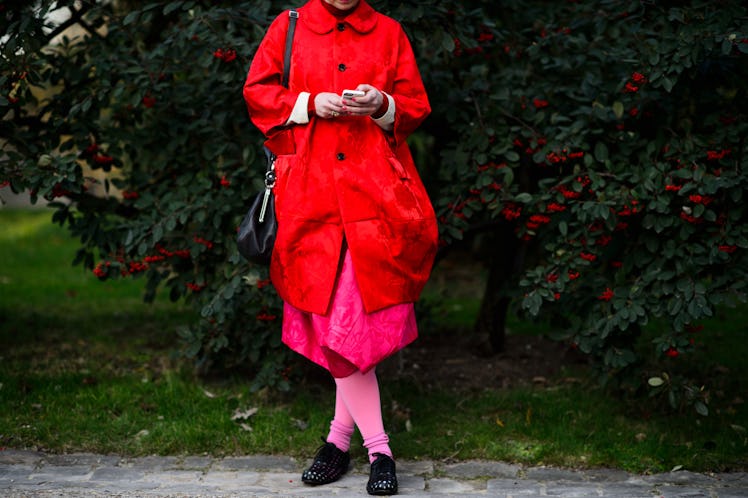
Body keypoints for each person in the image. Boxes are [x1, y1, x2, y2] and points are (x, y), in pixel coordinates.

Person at [243, 0, 437, 494]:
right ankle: (367, 448)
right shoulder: (288, 26)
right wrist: (308, 103)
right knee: (338, 325)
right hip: (312, 200)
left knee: (350, 329)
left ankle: (352, 446)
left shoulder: (390, 33)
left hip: (377, 202)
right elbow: (258, 93)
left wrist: (382, 106)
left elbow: (413, 106)